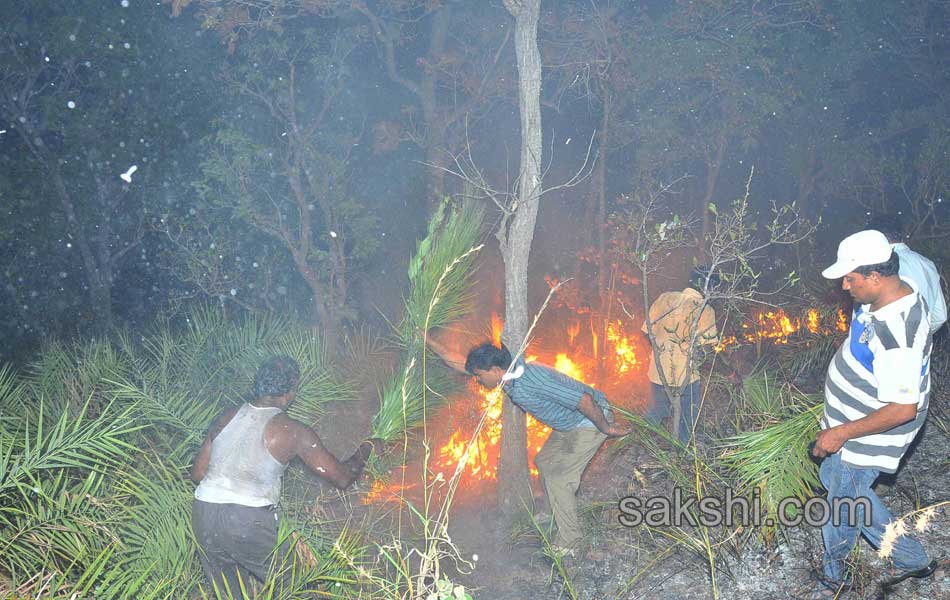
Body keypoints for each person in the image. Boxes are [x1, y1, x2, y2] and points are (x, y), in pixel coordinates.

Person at [808, 230, 936, 597]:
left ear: (876, 276)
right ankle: (912, 558)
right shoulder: (884, 293)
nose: (845, 286)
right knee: (844, 485)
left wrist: (841, 432)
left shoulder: (899, 333)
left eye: (851, 278)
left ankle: (835, 577)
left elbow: (902, 408)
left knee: (843, 501)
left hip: (871, 431)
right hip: (853, 419)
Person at [190, 355, 382, 597]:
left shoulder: (226, 417)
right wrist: (367, 448)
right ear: (291, 391)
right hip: (246, 522)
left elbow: (197, 474)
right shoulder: (292, 430)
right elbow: (343, 477)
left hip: (204, 514)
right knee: (300, 586)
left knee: (229, 594)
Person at [426, 335, 629, 555]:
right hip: (566, 424)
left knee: (559, 479)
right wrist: (428, 339)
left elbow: (585, 400)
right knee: (544, 461)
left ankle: (570, 541)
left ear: (495, 370)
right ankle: (556, 513)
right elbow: (457, 361)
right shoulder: (508, 371)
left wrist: (606, 428)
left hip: (589, 421)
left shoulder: (531, 382)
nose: (477, 380)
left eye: (479, 376)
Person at [641, 267, 719, 444]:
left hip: (657, 372)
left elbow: (647, 332)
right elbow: (706, 351)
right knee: (687, 418)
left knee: (658, 410)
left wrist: (663, 351)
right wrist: (728, 371)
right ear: (709, 286)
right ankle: (681, 451)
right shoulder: (705, 311)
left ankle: (637, 437)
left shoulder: (664, 299)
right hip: (687, 377)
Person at [866, 215, 947, 333]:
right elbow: (940, 316)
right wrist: (921, 337)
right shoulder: (927, 264)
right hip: (918, 346)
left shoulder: (879, 265)